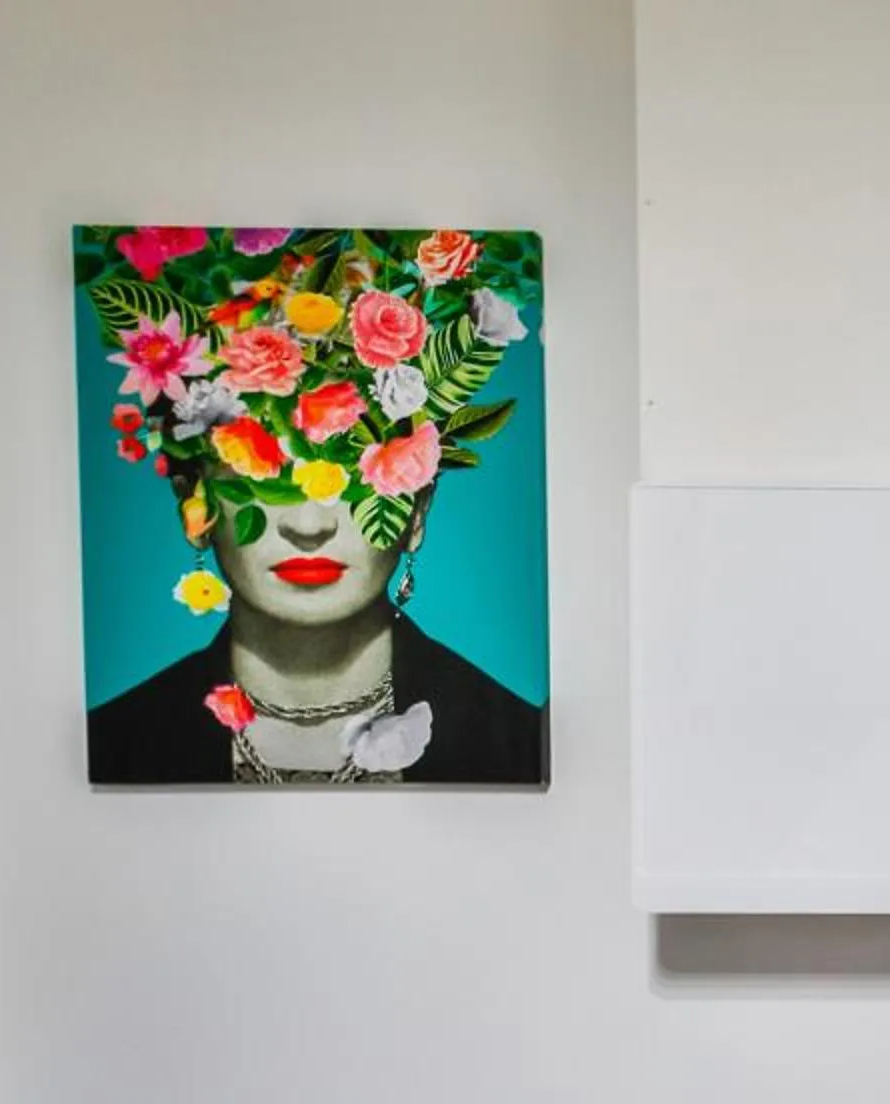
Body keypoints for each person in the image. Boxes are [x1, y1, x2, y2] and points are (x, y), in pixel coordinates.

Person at [76, 225, 547, 786]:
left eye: (352, 478)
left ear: (417, 510)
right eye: (260, 472)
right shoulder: (116, 742)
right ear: (194, 507)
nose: (309, 524)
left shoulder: (513, 741)